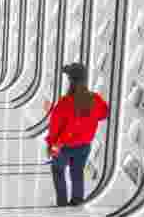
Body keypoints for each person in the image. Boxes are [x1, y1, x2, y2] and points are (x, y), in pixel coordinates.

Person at [46, 63, 110, 207]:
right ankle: (77, 200)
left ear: (70, 81)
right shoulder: (95, 99)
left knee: (57, 170)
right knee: (77, 172)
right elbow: (104, 113)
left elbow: (54, 129)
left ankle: (62, 201)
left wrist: (51, 147)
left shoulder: (64, 103)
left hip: (63, 146)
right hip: (84, 146)